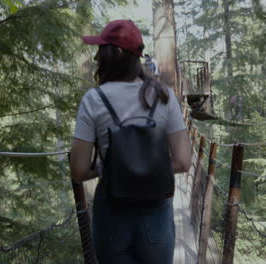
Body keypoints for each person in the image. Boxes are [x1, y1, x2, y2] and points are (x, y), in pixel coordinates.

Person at [70, 19, 191, 264]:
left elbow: (79, 170)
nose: (96, 57)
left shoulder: (94, 100)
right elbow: (183, 161)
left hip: (112, 213)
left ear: (115, 52)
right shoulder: (163, 96)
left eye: (100, 50)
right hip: (155, 211)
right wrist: (148, 166)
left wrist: (111, 167)